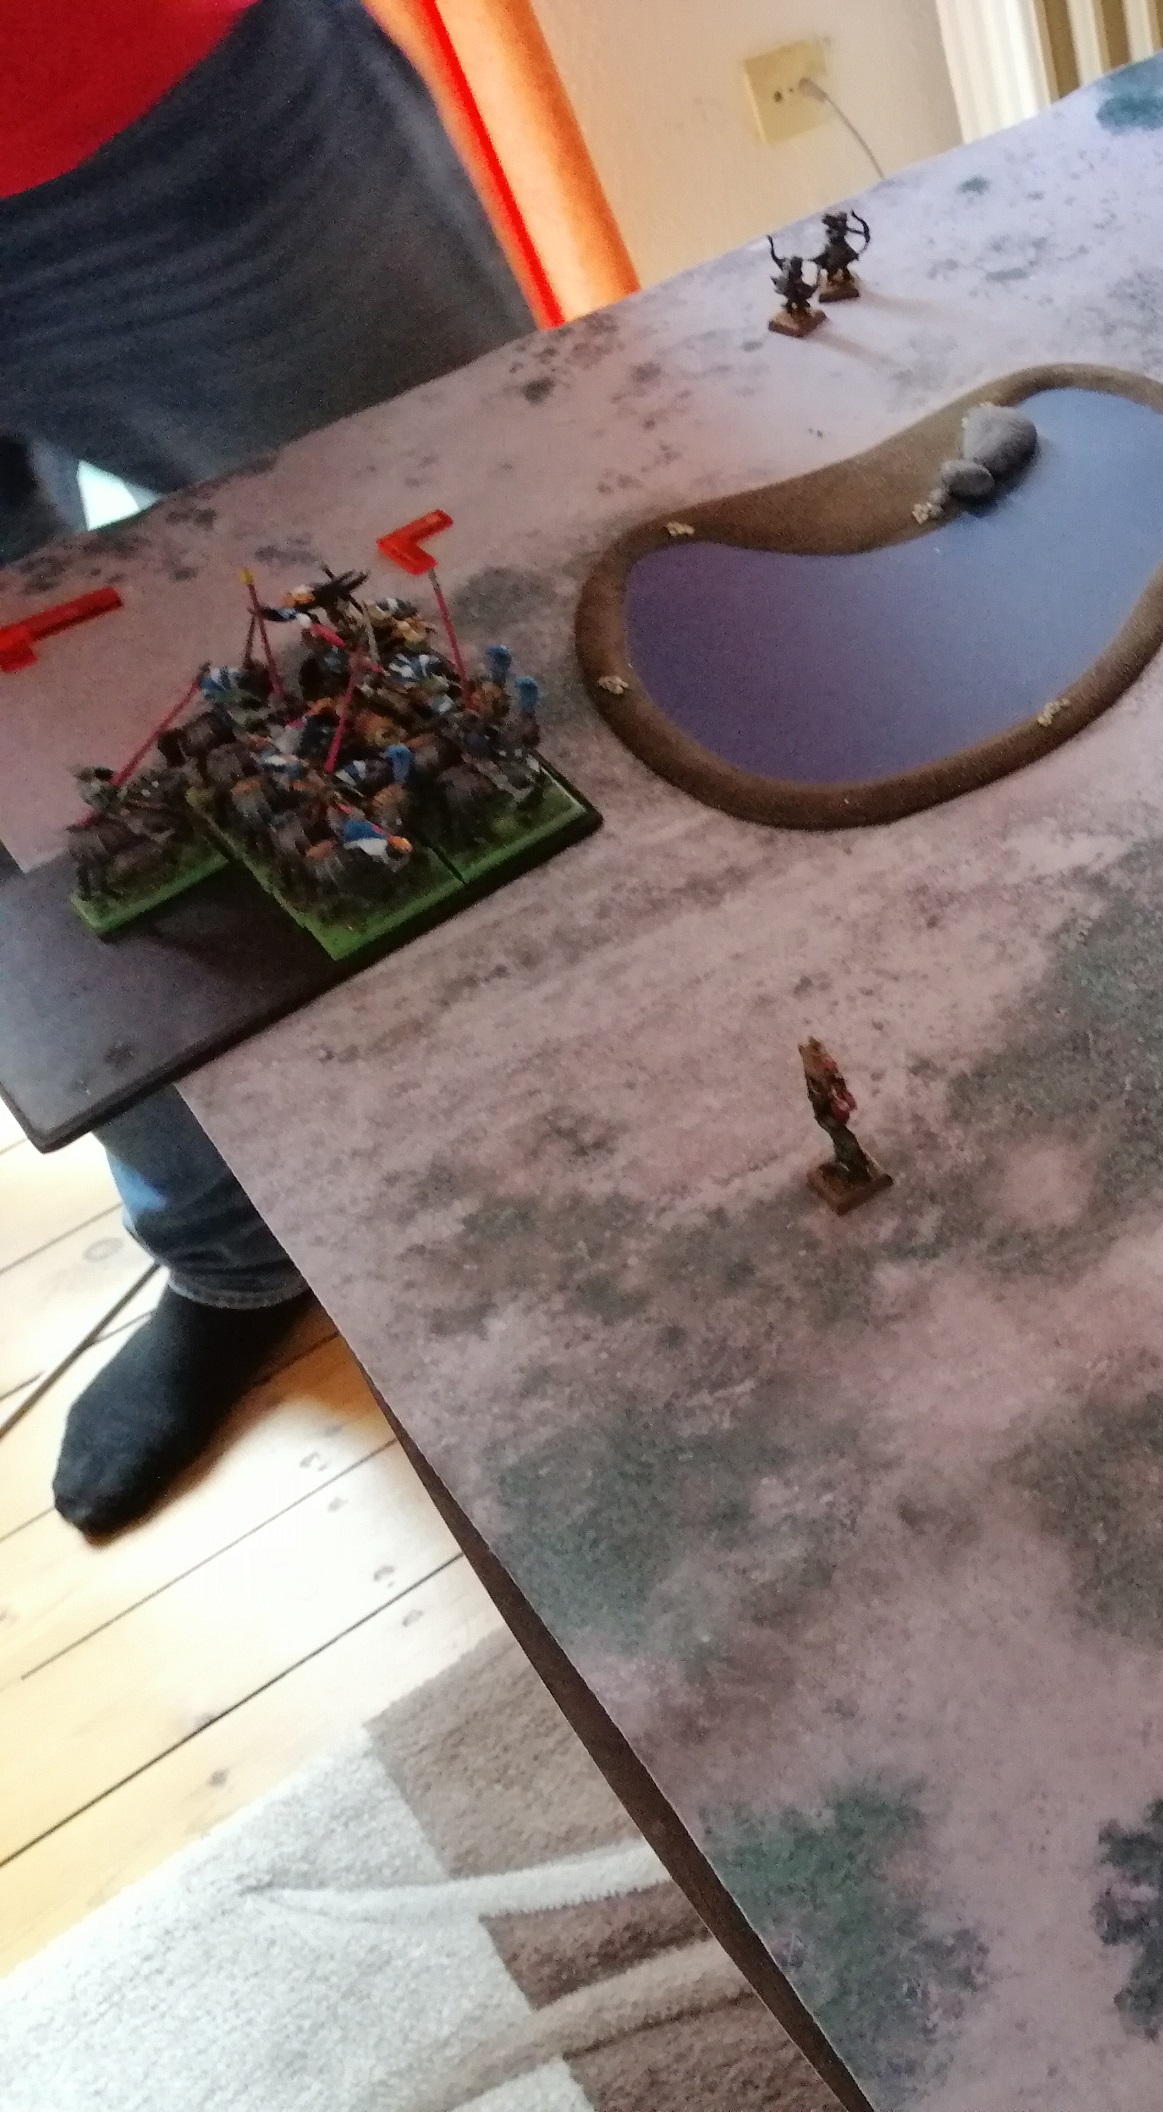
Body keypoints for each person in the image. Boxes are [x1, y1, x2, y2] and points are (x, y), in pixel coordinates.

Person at [2, 0, 534, 1534]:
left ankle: (677, 1076)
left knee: (507, 575)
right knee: (42, 890)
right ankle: (231, 1255)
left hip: (157, 93)